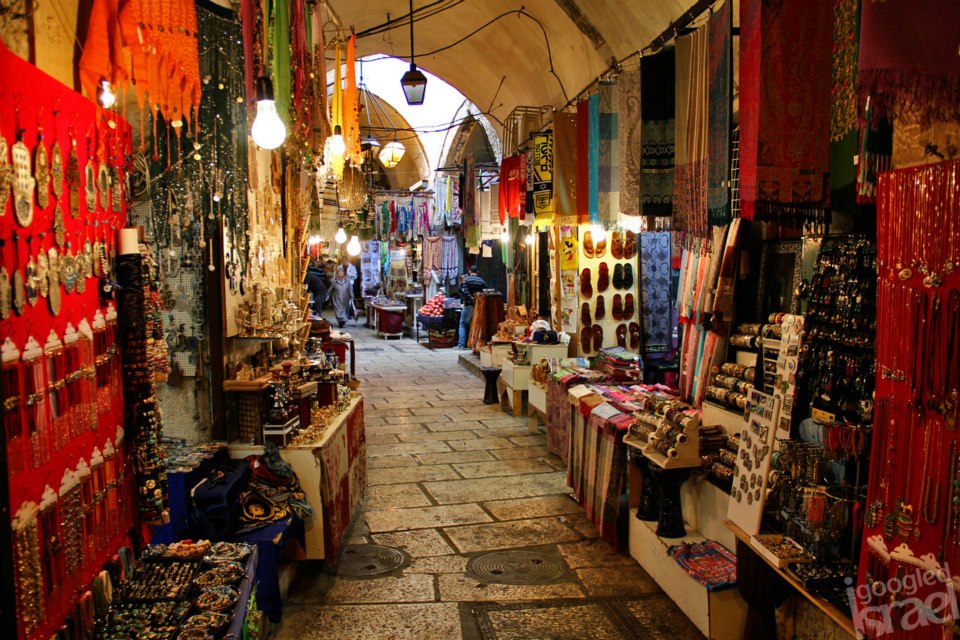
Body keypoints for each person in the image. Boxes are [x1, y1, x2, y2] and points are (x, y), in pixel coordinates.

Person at [457, 264, 487, 350]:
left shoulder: (467, 280)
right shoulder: (482, 281)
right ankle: (474, 344)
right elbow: (485, 292)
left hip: (468, 305)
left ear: (469, 271)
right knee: (475, 324)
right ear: (477, 272)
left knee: (462, 324)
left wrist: (472, 298)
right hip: (479, 306)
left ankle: (461, 345)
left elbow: (466, 292)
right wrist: (477, 300)